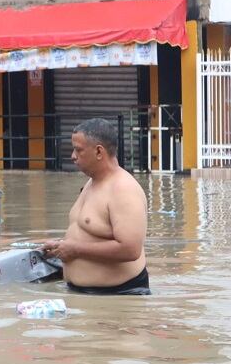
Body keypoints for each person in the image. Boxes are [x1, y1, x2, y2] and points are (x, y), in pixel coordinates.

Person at [41, 118, 150, 295]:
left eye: (78, 150)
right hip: (82, 297)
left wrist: (74, 250)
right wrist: (61, 247)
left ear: (99, 151)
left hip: (119, 298)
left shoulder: (123, 189)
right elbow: (87, 233)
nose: (73, 156)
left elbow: (130, 249)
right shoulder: (91, 183)